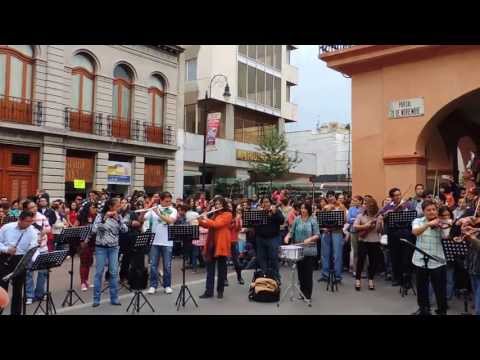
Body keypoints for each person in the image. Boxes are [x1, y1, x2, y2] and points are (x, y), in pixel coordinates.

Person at [0, 211, 40, 315]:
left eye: (32, 221)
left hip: (21, 260)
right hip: (5, 259)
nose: (30, 224)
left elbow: (33, 247)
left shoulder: (32, 231)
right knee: (2, 290)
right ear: (20, 220)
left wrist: (36, 260)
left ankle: (16, 313)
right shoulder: (7, 227)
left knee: (18, 290)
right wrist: (6, 249)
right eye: (28, 221)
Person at [411, 200, 447, 315]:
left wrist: (442, 227)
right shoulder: (418, 221)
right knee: (421, 287)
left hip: (437, 260)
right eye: (429, 210)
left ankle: (442, 310)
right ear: (423, 211)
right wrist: (427, 224)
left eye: (434, 209)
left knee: (439, 288)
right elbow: (415, 232)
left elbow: (446, 236)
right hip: (420, 260)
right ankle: (423, 309)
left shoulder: (441, 222)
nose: (432, 212)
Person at [91, 198, 128, 307]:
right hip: (101, 248)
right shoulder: (100, 216)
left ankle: (114, 298)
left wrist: (118, 220)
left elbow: (125, 230)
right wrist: (104, 218)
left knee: (113, 272)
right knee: (99, 273)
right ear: (111, 207)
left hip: (114, 248)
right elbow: (94, 230)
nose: (119, 207)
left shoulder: (119, 216)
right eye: (117, 206)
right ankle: (96, 299)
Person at [380, 187, 416, 287]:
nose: (398, 197)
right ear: (392, 197)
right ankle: (397, 278)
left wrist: (404, 209)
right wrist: (387, 214)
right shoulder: (388, 206)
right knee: (395, 256)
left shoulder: (408, 204)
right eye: (395, 195)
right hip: (393, 233)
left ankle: (407, 280)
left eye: (399, 194)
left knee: (406, 257)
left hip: (406, 232)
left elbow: (413, 216)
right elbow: (381, 215)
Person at [284, 203, 320, 302]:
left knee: (308, 273)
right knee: (300, 273)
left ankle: (308, 295)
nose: (303, 210)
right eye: (302, 208)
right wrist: (287, 236)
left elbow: (317, 234)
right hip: (298, 249)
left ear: (308, 209)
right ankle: (302, 292)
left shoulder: (313, 220)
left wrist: (310, 239)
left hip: (309, 250)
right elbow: (291, 231)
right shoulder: (297, 219)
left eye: (305, 208)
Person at [198, 197, 232, 299]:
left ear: (224, 204)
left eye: (219, 204)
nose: (217, 206)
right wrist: (200, 220)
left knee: (221, 270)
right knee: (210, 270)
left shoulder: (228, 214)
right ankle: (209, 291)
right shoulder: (214, 214)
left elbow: (217, 224)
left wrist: (206, 218)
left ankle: (220, 291)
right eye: (216, 204)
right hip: (211, 244)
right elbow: (208, 226)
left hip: (221, 244)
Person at [144, 192, 177, 295]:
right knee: (153, 265)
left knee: (167, 266)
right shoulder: (154, 209)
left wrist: (158, 213)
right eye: (166, 201)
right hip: (154, 241)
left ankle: (167, 285)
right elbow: (144, 218)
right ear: (161, 200)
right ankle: (153, 285)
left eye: (169, 201)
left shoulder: (173, 210)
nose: (168, 203)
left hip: (167, 241)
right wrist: (149, 206)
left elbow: (171, 221)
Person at [22, 200, 51, 304]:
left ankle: (40, 293)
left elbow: (49, 228)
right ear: (26, 209)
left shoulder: (42, 216)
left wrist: (44, 231)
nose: (34, 208)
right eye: (31, 207)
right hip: (30, 249)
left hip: (42, 248)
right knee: (28, 273)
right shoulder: (23, 218)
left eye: (34, 206)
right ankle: (29, 295)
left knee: (43, 272)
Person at [353, 197, 383, 291]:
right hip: (363, 241)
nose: (364, 205)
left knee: (373, 261)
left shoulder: (378, 216)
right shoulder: (360, 215)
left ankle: (371, 279)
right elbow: (355, 227)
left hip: (375, 241)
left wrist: (380, 223)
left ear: (372, 205)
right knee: (361, 260)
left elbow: (379, 231)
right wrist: (365, 226)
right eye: (364, 204)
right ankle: (358, 279)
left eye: (366, 204)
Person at [319, 191, 347, 283]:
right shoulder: (325, 207)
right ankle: (325, 275)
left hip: (337, 232)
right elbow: (321, 220)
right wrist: (324, 210)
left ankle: (337, 276)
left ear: (335, 197)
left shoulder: (341, 206)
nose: (330, 198)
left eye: (332, 196)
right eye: (328, 197)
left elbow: (345, 219)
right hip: (326, 232)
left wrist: (336, 208)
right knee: (325, 254)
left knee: (337, 255)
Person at [255, 197, 284, 283]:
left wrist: (275, 213)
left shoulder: (276, 211)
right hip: (260, 238)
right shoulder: (259, 212)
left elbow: (282, 221)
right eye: (263, 202)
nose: (265, 204)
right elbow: (253, 224)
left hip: (273, 238)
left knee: (274, 258)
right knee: (261, 258)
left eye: (267, 202)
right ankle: (265, 277)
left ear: (270, 203)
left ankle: (276, 277)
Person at [118, 198, 142, 285]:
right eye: (122, 202)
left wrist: (132, 222)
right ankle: (109, 276)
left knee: (127, 259)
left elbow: (138, 223)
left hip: (130, 238)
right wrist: (129, 223)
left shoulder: (132, 213)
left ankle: (124, 277)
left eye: (125, 202)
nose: (124, 204)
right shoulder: (117, 213)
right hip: (119, 238)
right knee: (115, 259)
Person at [77, 202, 98, 291]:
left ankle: (86, 280)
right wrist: (82, 241)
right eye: (93, 207)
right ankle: (82, 282)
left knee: (89, 262)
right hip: (83, 242)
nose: (95, 209)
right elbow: (76, 227)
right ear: (88, 208)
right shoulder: (81, 217)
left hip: (92, 242)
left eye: (95, 207)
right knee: (84, 262)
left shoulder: (96, 217)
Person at [347, 195, 363, 276]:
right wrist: (357, 219)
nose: (354, 202)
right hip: (353, 231)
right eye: (353, 200)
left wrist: (355, 219)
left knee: (363, 251)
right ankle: (355, 270)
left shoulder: (364, 208)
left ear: (360, 201)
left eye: (356, 200)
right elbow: (349, 220)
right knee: (355, 251)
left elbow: (363, 220)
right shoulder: (351, 209)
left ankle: (363, 270)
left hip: (363, 232)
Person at [229, 204, 245, 285]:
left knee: (236, 260)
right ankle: (224, 279)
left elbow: (238, 229)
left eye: (230, 207)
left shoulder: (236, 217)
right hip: (226, 240)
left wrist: (237, 221)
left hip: (234, 240)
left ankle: (239, 277)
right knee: (224, 260)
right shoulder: (226, 217)